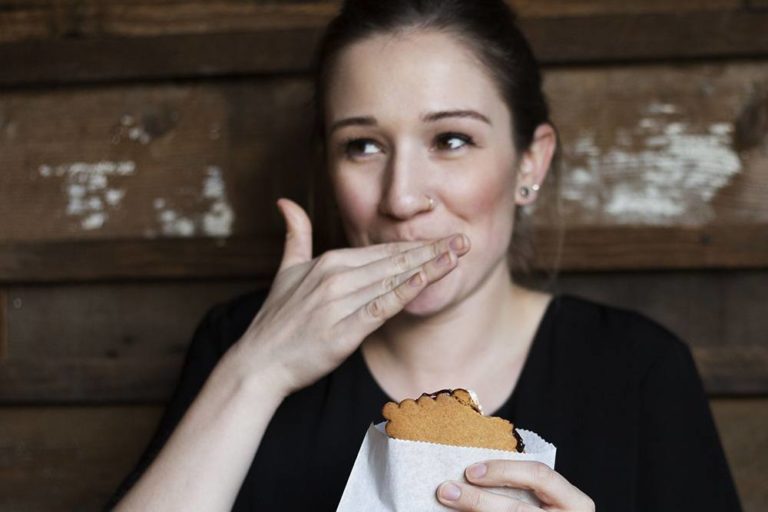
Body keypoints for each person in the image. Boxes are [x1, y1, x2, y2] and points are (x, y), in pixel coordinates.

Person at [107, 1, 741, 510]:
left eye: (451, 139)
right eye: (362, 146)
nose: (402, 198)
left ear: (530, 161)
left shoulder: (639, 370)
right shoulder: (239, 342)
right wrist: (256, 371)